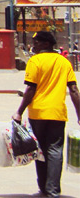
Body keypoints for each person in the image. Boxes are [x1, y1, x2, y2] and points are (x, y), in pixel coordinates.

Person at [13, 31, 80, 197]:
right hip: (57, 114)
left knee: (40, 150)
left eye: (36, 43)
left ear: (46, 44)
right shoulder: (64, 62)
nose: (33, 45)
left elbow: (30, 89)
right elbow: (73, 90)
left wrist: (19, 111)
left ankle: (43, 186)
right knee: (55, 151)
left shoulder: (35, 61)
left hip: (37, 114)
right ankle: (52, 190)